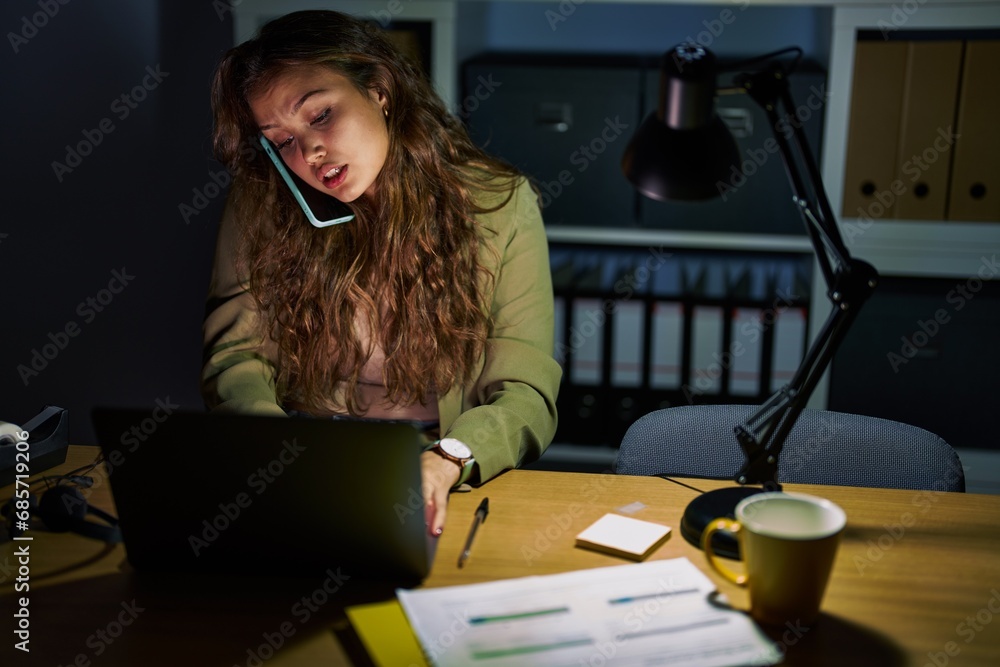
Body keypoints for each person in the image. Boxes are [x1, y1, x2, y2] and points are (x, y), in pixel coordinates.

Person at [202, 10, 561, 537]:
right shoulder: (261, 203)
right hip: (301, 453)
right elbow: (235, 358)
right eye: (280, 140)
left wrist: (448, 460)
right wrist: (277, 454)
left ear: (380, 91)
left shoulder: (498, 203)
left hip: (438, 455)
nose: (308, 152)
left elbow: (525, 392)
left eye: (319, 115)